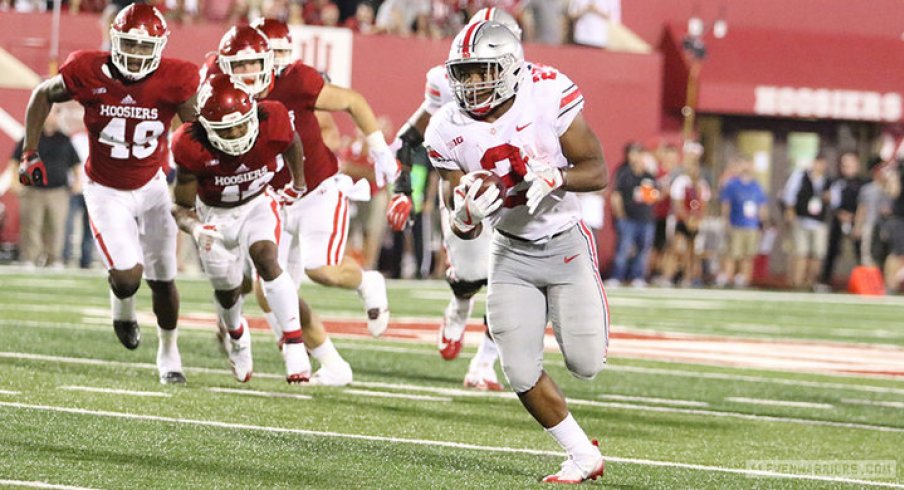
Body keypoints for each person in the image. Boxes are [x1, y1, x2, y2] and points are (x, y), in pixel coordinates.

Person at [426, 21, 608, 483]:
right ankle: (582, 454)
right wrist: (465, 218)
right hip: (510, 251)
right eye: (463, 75)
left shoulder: (547, 92)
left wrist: (555, 177)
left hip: (565, 240)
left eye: (481, 72)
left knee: (586, 364)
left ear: (508, 67)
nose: (471, 84)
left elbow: (597, 169)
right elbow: (460, 217)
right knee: (519, 367)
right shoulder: (446, 128)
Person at [19, 4, 197, 384]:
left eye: (142, 46)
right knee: (128, 276)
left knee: (164, 279)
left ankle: (169, 353)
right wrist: (29, 151)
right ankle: (123, 310)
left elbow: (195, 132)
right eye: (128, 44)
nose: (134, 54)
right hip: (105, 189)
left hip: (152, 187)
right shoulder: (88, 68)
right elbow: (41, 94)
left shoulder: (177, 78)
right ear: (115, 40)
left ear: (160, 47)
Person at [213, 22, 395, 383]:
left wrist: (380, 150)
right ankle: (332, 363)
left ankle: (366, 282)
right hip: (274, 199)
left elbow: (352, 101)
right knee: (270, 293)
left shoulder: (295, 81)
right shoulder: (225, 96)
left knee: (320, 268)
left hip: (317, 189)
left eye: (254, 63)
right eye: (239, 64)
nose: (248, 73)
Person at [387, 8, 523, 390]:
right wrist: (402, 190)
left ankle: (483, 363)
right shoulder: (446, 88)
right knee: (469, 279)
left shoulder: (537, 90)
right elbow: (407, 139)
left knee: (508, 287)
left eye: (488, 66)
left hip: (514, 198)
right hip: (462, 194)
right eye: (470, 67)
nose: (476, 79)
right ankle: (459, 305)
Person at [171, 74, 311, 383]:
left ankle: (294, 343)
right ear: (205, 127)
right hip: (214, 217)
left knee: (266, 257)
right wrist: (195, 229)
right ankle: (236, 337)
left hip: (257, 204)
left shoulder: (271, 117)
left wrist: (297, 182)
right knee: (228, 289)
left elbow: (291, 141)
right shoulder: (190, 144)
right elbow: (180, 206)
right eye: (225, 129)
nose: (235, 134)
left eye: (241, 125)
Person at [11, 106, 81, 268]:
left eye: (57, 114)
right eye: (51, 113)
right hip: (32, 190)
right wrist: (15, 183)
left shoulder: (65, 139)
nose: (55, 117)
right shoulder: (30, 137)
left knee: (57, 227)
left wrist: (78, 182)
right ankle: (30, 259)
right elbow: (14, 161)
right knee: (31, 226)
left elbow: (76, 164)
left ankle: (54, 259)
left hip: (58, 191)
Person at [607, 143, 657, 288]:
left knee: (643, 250)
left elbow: (652, 198)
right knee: (623, 248)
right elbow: (616, 195)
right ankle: (617, 276)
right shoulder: (624, 173)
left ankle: (638, 277)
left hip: (645, 218)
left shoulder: (648, 176)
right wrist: (620, 215)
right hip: (628, 217)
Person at [781, 155, 830, 290]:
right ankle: (797, 282)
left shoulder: (827, 181)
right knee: (800, 252)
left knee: (817, 254)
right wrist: (790, 213)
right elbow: (788, 196)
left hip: (819, 222)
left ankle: (811, 282)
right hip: (801, 219)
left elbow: (833, 200)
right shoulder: (800, 177)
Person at [719, 154, 768, 288]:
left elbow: (762, 205)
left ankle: (744, 279)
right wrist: (726, 221)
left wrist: (761, 223)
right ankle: (729, 277)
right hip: (736, 223)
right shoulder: (732, 184)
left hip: (751, 225)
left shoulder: (756, 186)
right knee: (733, 253)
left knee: (748, 255)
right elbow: (726, 204)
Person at [820, 152, 866, 287]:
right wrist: (839, 213)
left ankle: (863, 282)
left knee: (860, 252)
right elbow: (829, 201)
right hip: (838, 219)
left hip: (856, 220)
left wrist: (854, 218)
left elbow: (864, 204)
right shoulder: (835, 182)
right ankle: (825, 281)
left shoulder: (863, 182)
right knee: (832, 250)